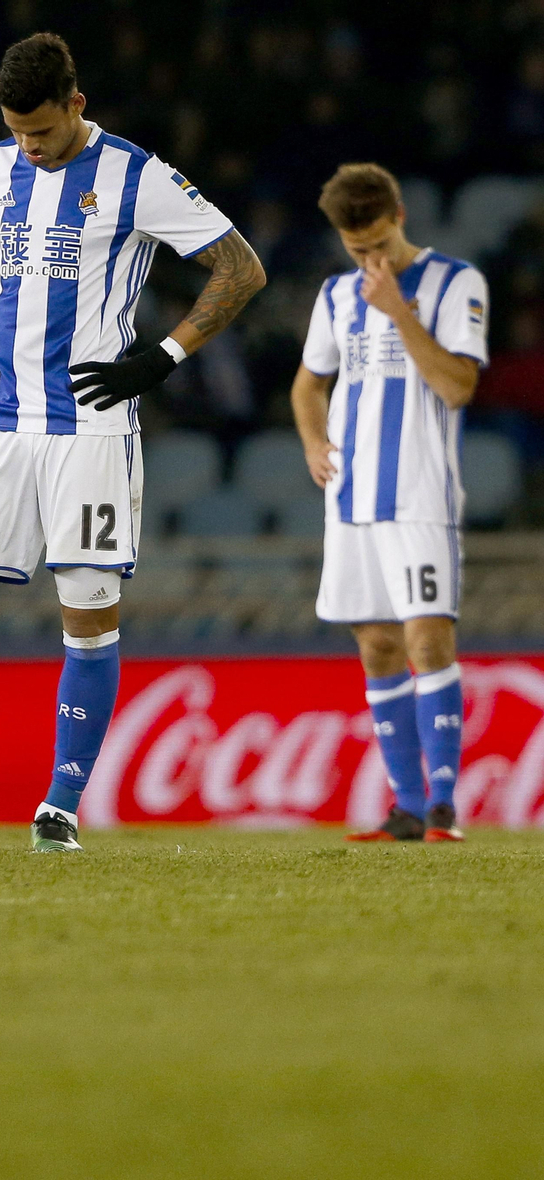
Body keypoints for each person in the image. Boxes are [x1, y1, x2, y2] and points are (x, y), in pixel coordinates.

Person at [0, 32, 265, 855]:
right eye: (16, 131)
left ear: (76, 104)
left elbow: (241, 268)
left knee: (88, 622)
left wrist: (160, 359)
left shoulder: (137, 176)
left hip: (89, 428)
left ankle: (59, 813)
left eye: (41, 130)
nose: (28, 147)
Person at [291, 163, 487, 842]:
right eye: (357, 250)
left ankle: (443, 806)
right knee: (377, 645)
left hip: (420, 495)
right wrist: (313, 442)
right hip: (351, 499)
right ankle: (405, 806)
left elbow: (457, 386)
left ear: (400, 218)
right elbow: (308, 385)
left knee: (427, 638)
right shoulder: (336, 294)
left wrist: (399, 311)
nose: (370, 260)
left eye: (378, 243)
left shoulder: (454, 282)